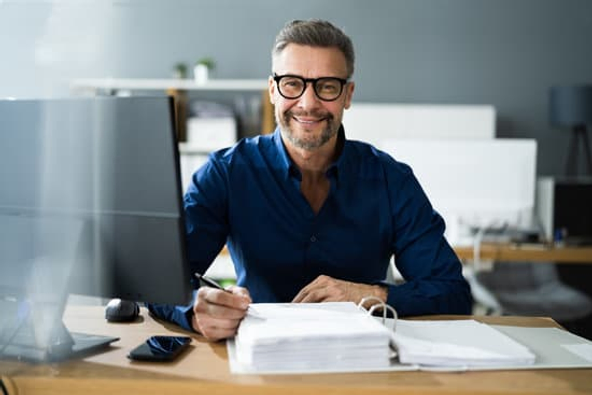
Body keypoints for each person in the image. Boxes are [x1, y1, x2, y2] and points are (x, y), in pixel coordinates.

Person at [149, 19, 472, 341]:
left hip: (362, 357)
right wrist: (195, 309)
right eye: (292, 83)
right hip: (256, 356)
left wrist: (370, 296)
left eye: (327, 86)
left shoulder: (391, 179)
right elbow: (158, 281)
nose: (308, 103)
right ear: (274, 90)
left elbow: (451, 292)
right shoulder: (226, 172)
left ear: (347, 94)